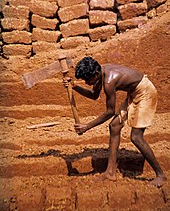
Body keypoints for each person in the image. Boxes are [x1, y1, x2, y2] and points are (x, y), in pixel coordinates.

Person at [63, 56, 167, 187]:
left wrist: (87, 127)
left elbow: (110, 111)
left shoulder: (109, 81)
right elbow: (94, 95)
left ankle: (160, 175)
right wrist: (74, 86)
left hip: (145, 93)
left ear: (95, 74)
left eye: (87, 80)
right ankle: (110, 172)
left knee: (136, 137)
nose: (87, 83)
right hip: (134, 94)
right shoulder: (101, 71)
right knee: (114, 126)